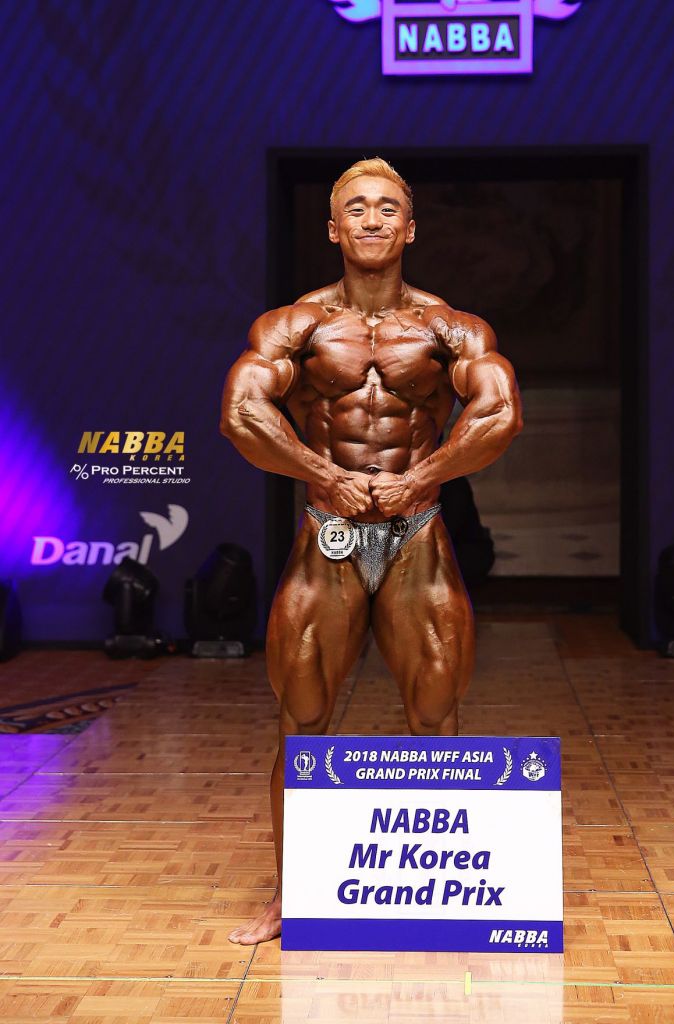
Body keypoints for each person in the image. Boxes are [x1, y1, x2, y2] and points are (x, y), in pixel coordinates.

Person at [220, 158, 522, 944]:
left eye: (388, 208)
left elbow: (499, 413)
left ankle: (440, 896)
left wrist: (422, 476)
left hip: (416, 531)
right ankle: (291, 897)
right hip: (329, 530)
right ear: (333, 228)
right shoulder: (296, 325)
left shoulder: (450, 327)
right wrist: (324, 474)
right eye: (356, 207)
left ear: (410, 228)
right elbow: (241, 412)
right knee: (302, 717)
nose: (373, 219)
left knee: (434, 712)